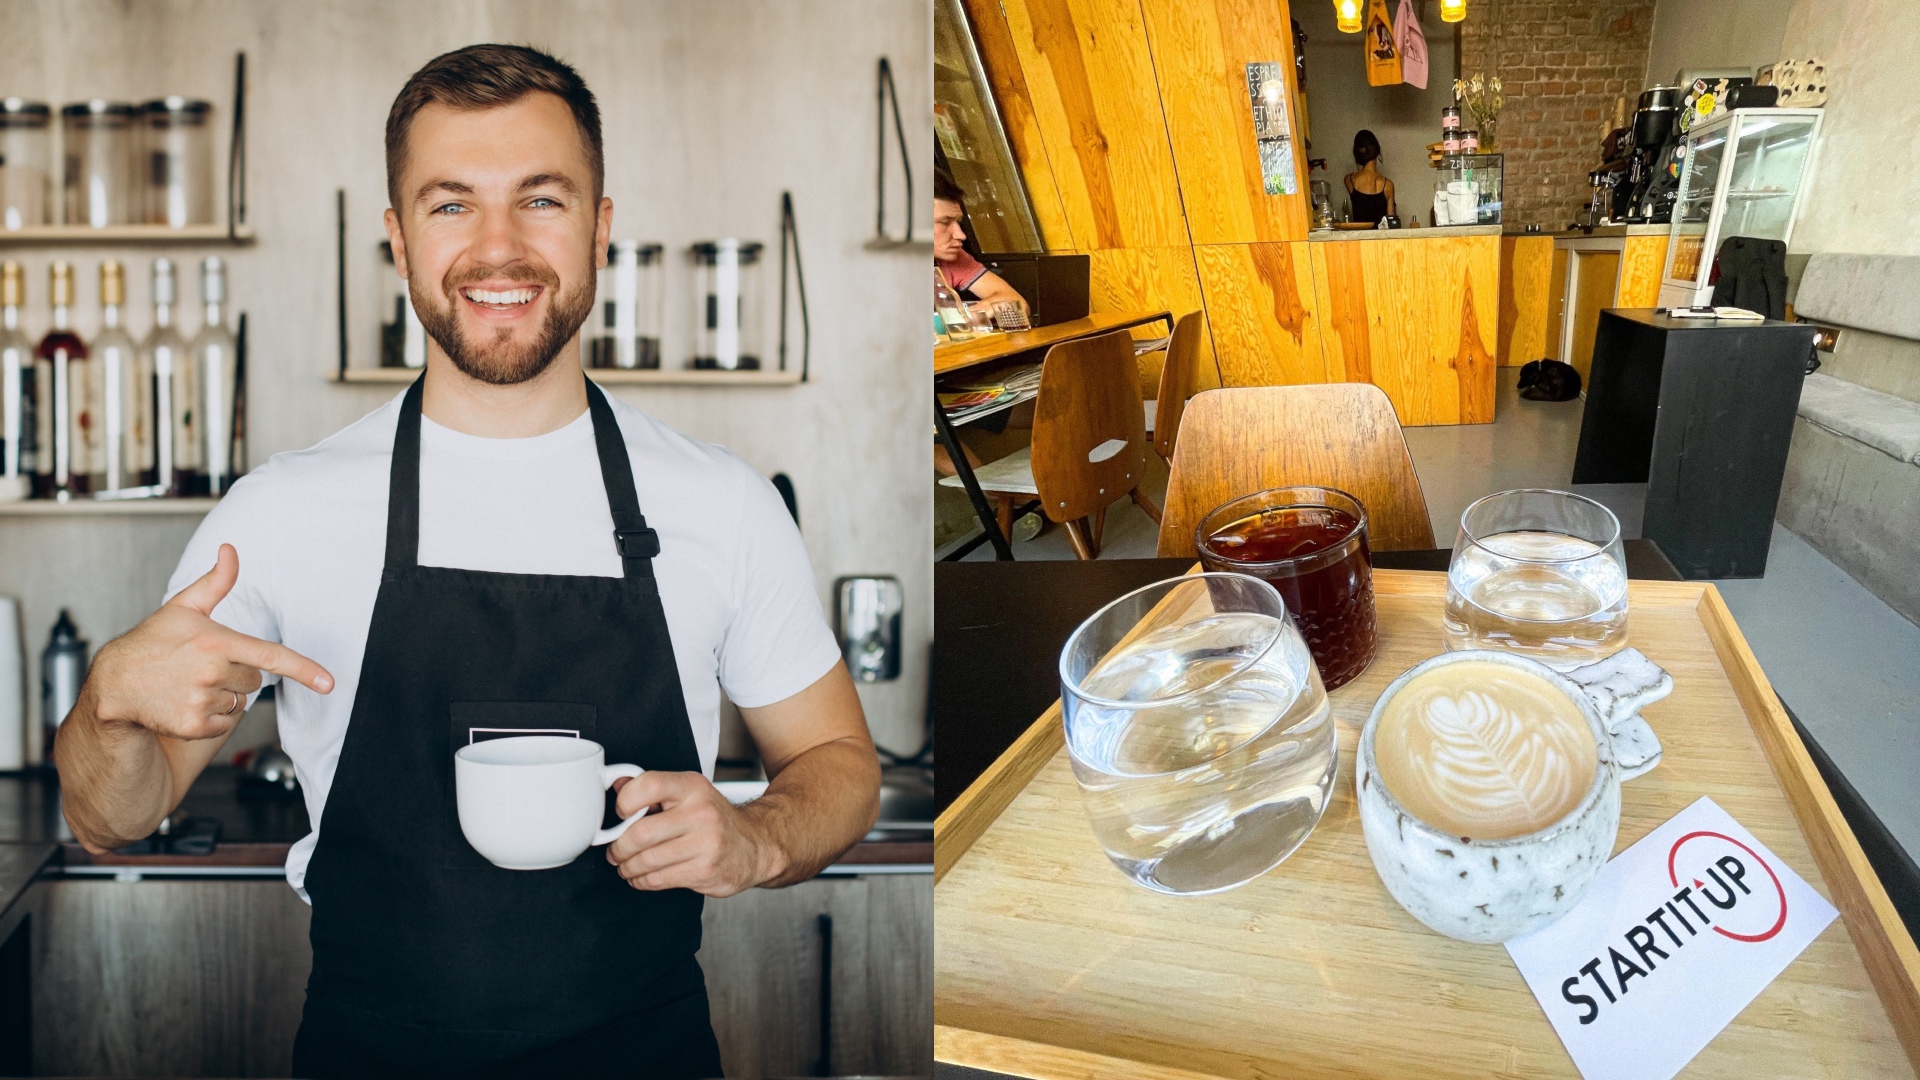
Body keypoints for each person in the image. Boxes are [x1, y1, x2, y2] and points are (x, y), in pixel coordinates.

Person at [51, 44, 879, 1078]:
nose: (498, 248)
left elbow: (840, 765)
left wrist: (758, 840)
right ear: (398, 240)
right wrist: (108, 709)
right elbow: (111, 817)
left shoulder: (724, 506)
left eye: (541, 199)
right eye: (451, 205)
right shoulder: (278, 514)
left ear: (600, 228)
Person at [934, 171, 1027, 317]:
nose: (961, 235)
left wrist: (966, 316)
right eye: (945, 222)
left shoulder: (952, 256)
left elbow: (1018, 303)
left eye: (958, 221)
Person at [1344, 129, 1395, 225]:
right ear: (1377, 150)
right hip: (1381, 235)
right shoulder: (1388, 185)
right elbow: (1391, 223)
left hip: (1359, 235)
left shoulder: (1349, 180)